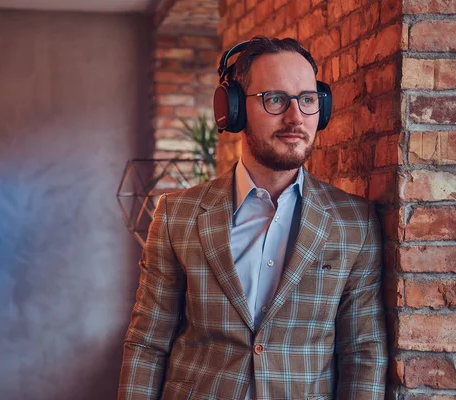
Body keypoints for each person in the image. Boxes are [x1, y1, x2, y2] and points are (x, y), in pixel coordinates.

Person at [118, 36, 387, 400]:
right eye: (274, 99)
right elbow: (148, 343)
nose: (295, 117)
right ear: (233, 111)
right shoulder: (176, 216)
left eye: (307, 100)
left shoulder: (355, 222)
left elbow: (363, 354)